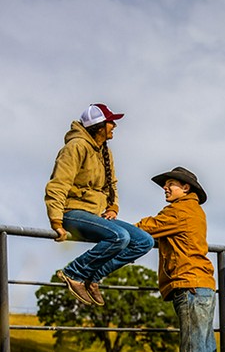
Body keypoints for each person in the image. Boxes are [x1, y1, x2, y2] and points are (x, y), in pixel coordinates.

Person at [136, 167, 225, 352]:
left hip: (189, 286)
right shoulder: (195, 210)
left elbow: (148, 228)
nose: (166, 188)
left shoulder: (179, 211)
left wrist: (115, 231)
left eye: (171, 184)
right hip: (203, 287)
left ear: (186, 188)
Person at [45, 103, 154, 306]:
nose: (114, 125)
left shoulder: (105, 151)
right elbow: (58, 183)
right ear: (100, 125)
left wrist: (113, 207)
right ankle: (74, 273)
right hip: (72, 212)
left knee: (144, 241)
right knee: (120, 236)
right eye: (111, 122)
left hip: (94, 216)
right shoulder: (75, 147)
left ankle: (93, 277)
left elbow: (111, 184)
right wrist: (56, 221)